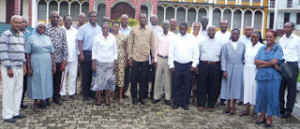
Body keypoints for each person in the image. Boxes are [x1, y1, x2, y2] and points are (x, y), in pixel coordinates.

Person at [0, 15, 27, 123]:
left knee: (18, 90)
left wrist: (24, 65)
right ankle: (7, 115)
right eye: (16, 22)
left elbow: (22, 51)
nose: (18, 25)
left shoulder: (21, 35)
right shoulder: (6, 34)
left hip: (20, 67)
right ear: (11, 23)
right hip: (10, 68)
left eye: (19, 23)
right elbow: (3, 51)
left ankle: (15, 112)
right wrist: (8, 67)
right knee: (8, 91)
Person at [255, 30, 283, 127]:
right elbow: (255, 61)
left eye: (270, 37)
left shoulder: (278, 49)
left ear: (274, 37)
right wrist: (269, 63)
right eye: (267, 37)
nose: (268, 39)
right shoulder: (261, 48)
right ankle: (262, 116)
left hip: (273, 77)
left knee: (271, 97)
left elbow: (274, 61)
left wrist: (262, 65)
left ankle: (269, 118)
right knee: (262, 96)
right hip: (261, 77)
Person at [25, 22, 56, 111]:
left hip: (47, 62)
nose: (42, 28)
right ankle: (36, 102)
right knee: (36, 81)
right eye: (40, 27)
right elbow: (27, 53)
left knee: (46, 81)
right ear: (36, 28)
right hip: (35, 62)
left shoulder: (48, 38)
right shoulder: (31, 38)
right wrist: (29, 67)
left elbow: (52, 52)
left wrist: (54, 65)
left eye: (44, 27)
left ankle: (43, 101)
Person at [168, 22, 199, 110]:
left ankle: (185, 103)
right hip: (177, 65)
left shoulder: (192, 39)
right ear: (179, 28)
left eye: (184, 29)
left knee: (187, 86)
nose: (182, 30)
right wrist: (171, 64)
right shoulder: (175, 38)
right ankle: (176, 102)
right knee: (176, 85)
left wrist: (194, 64)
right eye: (181, 29)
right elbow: (171, 51)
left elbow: (196, 52)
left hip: (188, 66)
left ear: (187, 29)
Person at [127, 13, 155, 105]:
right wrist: (129, 57)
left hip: (145, 59)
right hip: (135, 58)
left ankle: (142, 97)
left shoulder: (150, 30)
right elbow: (130, 43)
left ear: (146, 19)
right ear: (139, 19)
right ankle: (134, 97)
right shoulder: (133, 29)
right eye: (141, 17)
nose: (143, 19)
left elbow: (152, 44)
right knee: (134, 79)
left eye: (144, 17)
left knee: (144, 79)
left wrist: (154, 57)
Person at [76, 11, 102, 101]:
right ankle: (85, 94)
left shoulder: (100, 29)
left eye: (95, 16)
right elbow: (79, 41)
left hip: (97, 54)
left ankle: (92, 93)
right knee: (86, 75)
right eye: (92, 16)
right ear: (89, 18)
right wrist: (81, 54)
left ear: (97, 18)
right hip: (86, 53)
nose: (93, 18)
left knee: (94, 75)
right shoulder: (83, 28)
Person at [44, 11, 68, 105]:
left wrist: (65, 58)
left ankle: (56, 97)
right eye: (54, 17)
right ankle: (46, 98)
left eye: (57, 17)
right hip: (47, 59)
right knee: (48, 79)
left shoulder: (62, 30)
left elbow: (64, 44)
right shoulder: (46, 29)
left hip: (59, 59)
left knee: (57, 80)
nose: (56, 19)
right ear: (50, 18)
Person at [91, 22, 118, 106]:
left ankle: (106, 98)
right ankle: (99, 99)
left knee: (108, 81)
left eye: (107, 27)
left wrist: (115, 63)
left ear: (109, 28)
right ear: (101, 28)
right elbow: (94, 51)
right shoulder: (97, 37)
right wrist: (93, 63)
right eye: (103, 27)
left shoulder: (112, 38)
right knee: (99, 81)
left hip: (110, 62)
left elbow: (115, 52)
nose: (105, 29)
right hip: (99, 62)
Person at [197, 26, 222, 112]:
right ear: (207, 32)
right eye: (209, 30)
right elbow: (198, 54)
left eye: (213, 30)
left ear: (215, 31)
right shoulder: (202, 42)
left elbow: (222, 56)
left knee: (214, 86)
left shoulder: (220, 43)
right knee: (201, 85)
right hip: (203, 65)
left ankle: (211, 104)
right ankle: (201, 104)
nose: (211, 32)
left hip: (215, 66)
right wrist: (197, 66)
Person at [220, 29, 245, 115]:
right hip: (228, 66)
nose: (235, 35)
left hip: (238, 67)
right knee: (228, 86)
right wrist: (224, 70)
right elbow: (223, 58)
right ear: (231, 34)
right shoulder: (226, 45)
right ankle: (228, 105)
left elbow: (244, 58)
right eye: (233, 33)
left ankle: (234, 106)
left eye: (237, 34)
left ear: (239, 35)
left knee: (236, 87)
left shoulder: (242, 45)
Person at [239, 32, 264, 119]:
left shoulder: (261, 47)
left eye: (255, 37)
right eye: (252, 37)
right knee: (247, 88)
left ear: (259, 38)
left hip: (256, 70)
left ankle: (255, 111)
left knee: (254, 89)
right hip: (246, 69)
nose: (253, 39)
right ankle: (246, 109)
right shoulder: (247, 45)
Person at [279, 22, 300, 118]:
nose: (286, 28)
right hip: (283, 64)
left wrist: (297, 67)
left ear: (292, 28)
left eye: (288, 27)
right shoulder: (281, 39)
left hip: (292, 64)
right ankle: (281, 108)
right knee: (280, 88)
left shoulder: (297, 40)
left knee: (291, 89)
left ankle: (288, 110)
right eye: (285, 27)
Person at [152, 20, 174, 105]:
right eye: (164, 25)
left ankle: (167, 98)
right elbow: (155, 48)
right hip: (160, 58)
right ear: (162, 26)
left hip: (168, 59)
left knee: (168, 79)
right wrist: (155, 60)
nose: (165, 26)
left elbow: (173, 49)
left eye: (167, 25)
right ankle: (156, 97)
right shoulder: (158, 35)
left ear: (169, 26)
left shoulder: (172, 36)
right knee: (158, 79)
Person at [60, 15, 78, 100]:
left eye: (70, 20)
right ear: (64, 21)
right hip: (63, 58)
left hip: (74, 57)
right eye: (66, 20)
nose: (68, 22)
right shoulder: (61, 30)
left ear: (71, 22)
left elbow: (77, 43)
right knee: (63, 76)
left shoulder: (75, 31)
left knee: (73, 76)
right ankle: (62, 93)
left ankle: (71, 92)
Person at [147, 15, 163, 99]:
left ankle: (153, 93)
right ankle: (145, 93)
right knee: (145, 75)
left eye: (155, 19)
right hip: (146, 53)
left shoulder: (160, 30)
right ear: (150, 20)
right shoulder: (147, 28)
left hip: (156, 54)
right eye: (152, 19)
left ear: (157, 20)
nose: (154, 20)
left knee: (154, 76)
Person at [111, 21, 128, 104]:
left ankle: (120, 95)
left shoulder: (123, 37)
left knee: (120, 77)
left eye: (117, 27)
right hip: (111, 59)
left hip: (121, 59)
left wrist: (126, 60)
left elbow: (125, 49)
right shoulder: (109, 36)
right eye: (114, 26)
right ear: (112, 27)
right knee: (112, 76)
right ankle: (112, 93)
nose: (116, 28)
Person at [215, 20, 231, 105]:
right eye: (222, 24)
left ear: (227, 25)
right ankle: (215, 96)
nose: (223, 25)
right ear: (219, 25)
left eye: (225, 24)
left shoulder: (230, 34)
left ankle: (223, 98)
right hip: (217, 59)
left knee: (225, 79)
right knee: (217, 79)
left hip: (227, 60)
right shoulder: (216, 34)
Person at [190, 21, 205, 105]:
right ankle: (188, 96)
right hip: (189, 61)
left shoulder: (202, 38)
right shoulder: (189, 36)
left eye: (198, 27)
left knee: (197, 81)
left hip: (199, 61)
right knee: (189, 80)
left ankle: (194, 97)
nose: (196, 28)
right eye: (195, 26)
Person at [20, 16, 31, 109]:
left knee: (24, 83)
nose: (24, 24)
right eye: (22, 22)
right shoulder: (14, 33)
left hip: (26, 61)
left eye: (25, 22)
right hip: (17, 62)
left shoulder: (29, 34)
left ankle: (21, 101)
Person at [119, 14, 131, 98]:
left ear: (127, 20)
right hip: (118, 55)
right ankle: (116, 91)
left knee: (126, 74)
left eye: (125, 19)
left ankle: (125, 91)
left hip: (127, 55)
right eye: (122, 19)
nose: (124, 21)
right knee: (117, 74)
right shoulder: (116, 29)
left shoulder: (131, 30)